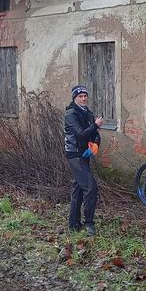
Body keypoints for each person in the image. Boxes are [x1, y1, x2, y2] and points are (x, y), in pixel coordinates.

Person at [63, 85, 103, 235]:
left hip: (84, 154)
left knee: (78, 189)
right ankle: (89, 224)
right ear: (75, 98)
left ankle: (73, 224)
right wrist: (95, 125)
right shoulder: (71, 114)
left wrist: (95, 146)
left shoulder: (88, 113)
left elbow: (95, 135)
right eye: (80, 96)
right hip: (74, 154)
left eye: (85, 95)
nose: (84, 98)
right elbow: (80, 134)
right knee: (90, 187)